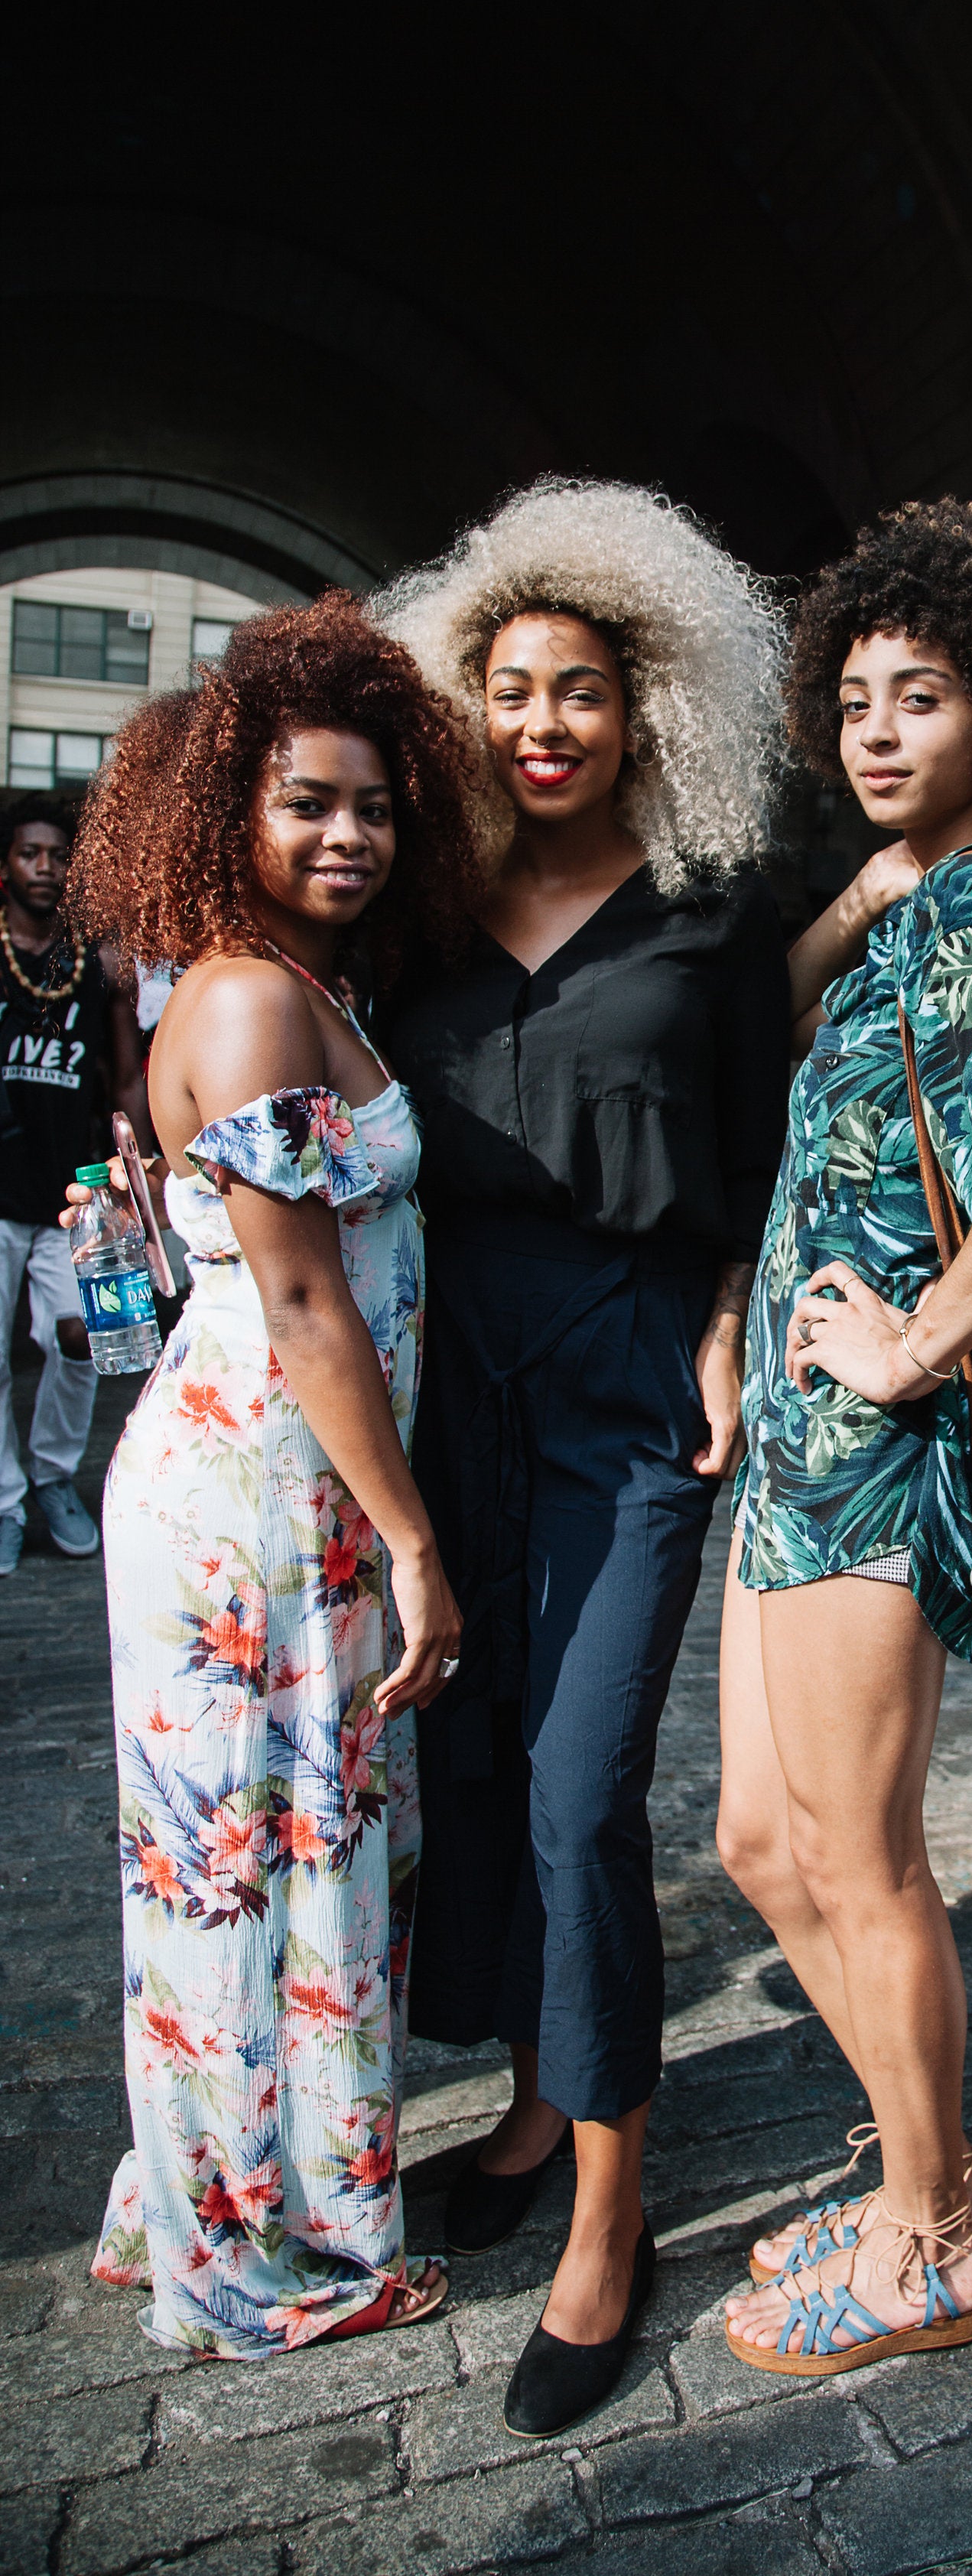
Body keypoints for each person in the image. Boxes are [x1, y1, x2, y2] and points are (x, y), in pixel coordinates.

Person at [375, 479, 790, 2437]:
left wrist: (717, 1312)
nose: (544, 723)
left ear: (647, 712)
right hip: (458, 1382)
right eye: (511, 692)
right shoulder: (423, 920)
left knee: (576, 1784)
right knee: (477, 1754)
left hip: (630, 1380)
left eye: (581, 693)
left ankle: (609, 2215)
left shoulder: (710, 921)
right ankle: (540, 2103)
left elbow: (761, 1157)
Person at [717, 499, 972, 2376]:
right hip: (798, 1436)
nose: (879, 730)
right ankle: (933, 2173)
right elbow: (789, 1027)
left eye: (926, 696)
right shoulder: (909, 903)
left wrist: (914, 1352)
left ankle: (928, 2229)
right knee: (753, 1840)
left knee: (855, 1851)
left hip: (867, 1449)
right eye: (858, 700)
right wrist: (841, 912)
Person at [70, 597, 483, 2354]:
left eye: (374, 805)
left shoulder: (301, 986)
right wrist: (416, 1541)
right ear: (229, 807)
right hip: (256, 1495)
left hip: (282, 1486)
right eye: (310, 801)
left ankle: (198, 2200)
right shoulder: (245, 1003)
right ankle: (272, 2262)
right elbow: (306, 1300)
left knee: (265, 1854)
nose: (348, 835)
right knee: (255, 1862)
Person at [0, 792, 148, 1569]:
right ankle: (5, 1499)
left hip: (76, 1193)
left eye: (59, 855)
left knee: (82, 1337)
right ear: (6, 867)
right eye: (31, 853)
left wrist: (144, 1176)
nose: (46, 868)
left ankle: (55, 1478)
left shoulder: (98, 964)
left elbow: (125, 1080)